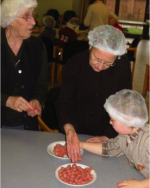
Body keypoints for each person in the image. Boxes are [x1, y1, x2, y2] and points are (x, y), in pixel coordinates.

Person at [55, 25, 132, 162]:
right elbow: (64, 101)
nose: (100, 66)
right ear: (91, 46)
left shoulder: (122, 67)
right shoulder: (75, 64)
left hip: (106, 130)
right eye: (96, 59)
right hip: (76, 128)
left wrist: (109, 135)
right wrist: (69, 128)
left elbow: (124, 103)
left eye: (108, 63)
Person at [80, 89, 149, 188]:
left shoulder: (147, 141)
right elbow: (108, 149)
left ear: (126, 121)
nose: (110, 122)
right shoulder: (124, 136)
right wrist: (82, 144)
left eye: (113, 120)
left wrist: (140, 185)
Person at [1, 0, 48, 130]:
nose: (33, 22)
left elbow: (41, 84)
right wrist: (6, 100)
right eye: (27, 16)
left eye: (34, 16)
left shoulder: (38, 47)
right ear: (10, 19)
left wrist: (36, 100)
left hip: (26, 125)